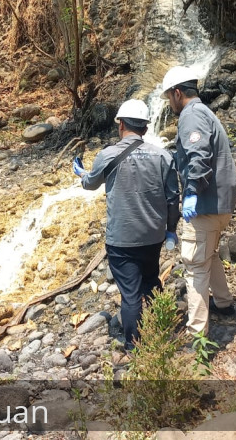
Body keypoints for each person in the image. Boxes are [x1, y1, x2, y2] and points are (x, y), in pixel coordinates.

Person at [73, 99, 180, 351]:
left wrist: (79, 172)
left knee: (130, 295)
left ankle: (135, 348)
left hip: (122, 239)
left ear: (120, 125)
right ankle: (160, 331)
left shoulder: (107, 154)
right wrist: (171, 230)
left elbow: (90, 183)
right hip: (153, 236)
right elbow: (173, 197)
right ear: (144, 128)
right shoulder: (163, 155)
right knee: (152, 280)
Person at [160, 65, 236, 337]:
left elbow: (199, 156)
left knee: (194, 266)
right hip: (221, 204)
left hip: (205, 204)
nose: (169, 104)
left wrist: (191, 192)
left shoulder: (190, 116)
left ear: (177, 93)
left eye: (169, 97)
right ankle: (225, 304)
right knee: (210, 254)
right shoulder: (206, 113)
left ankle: (197, 337)